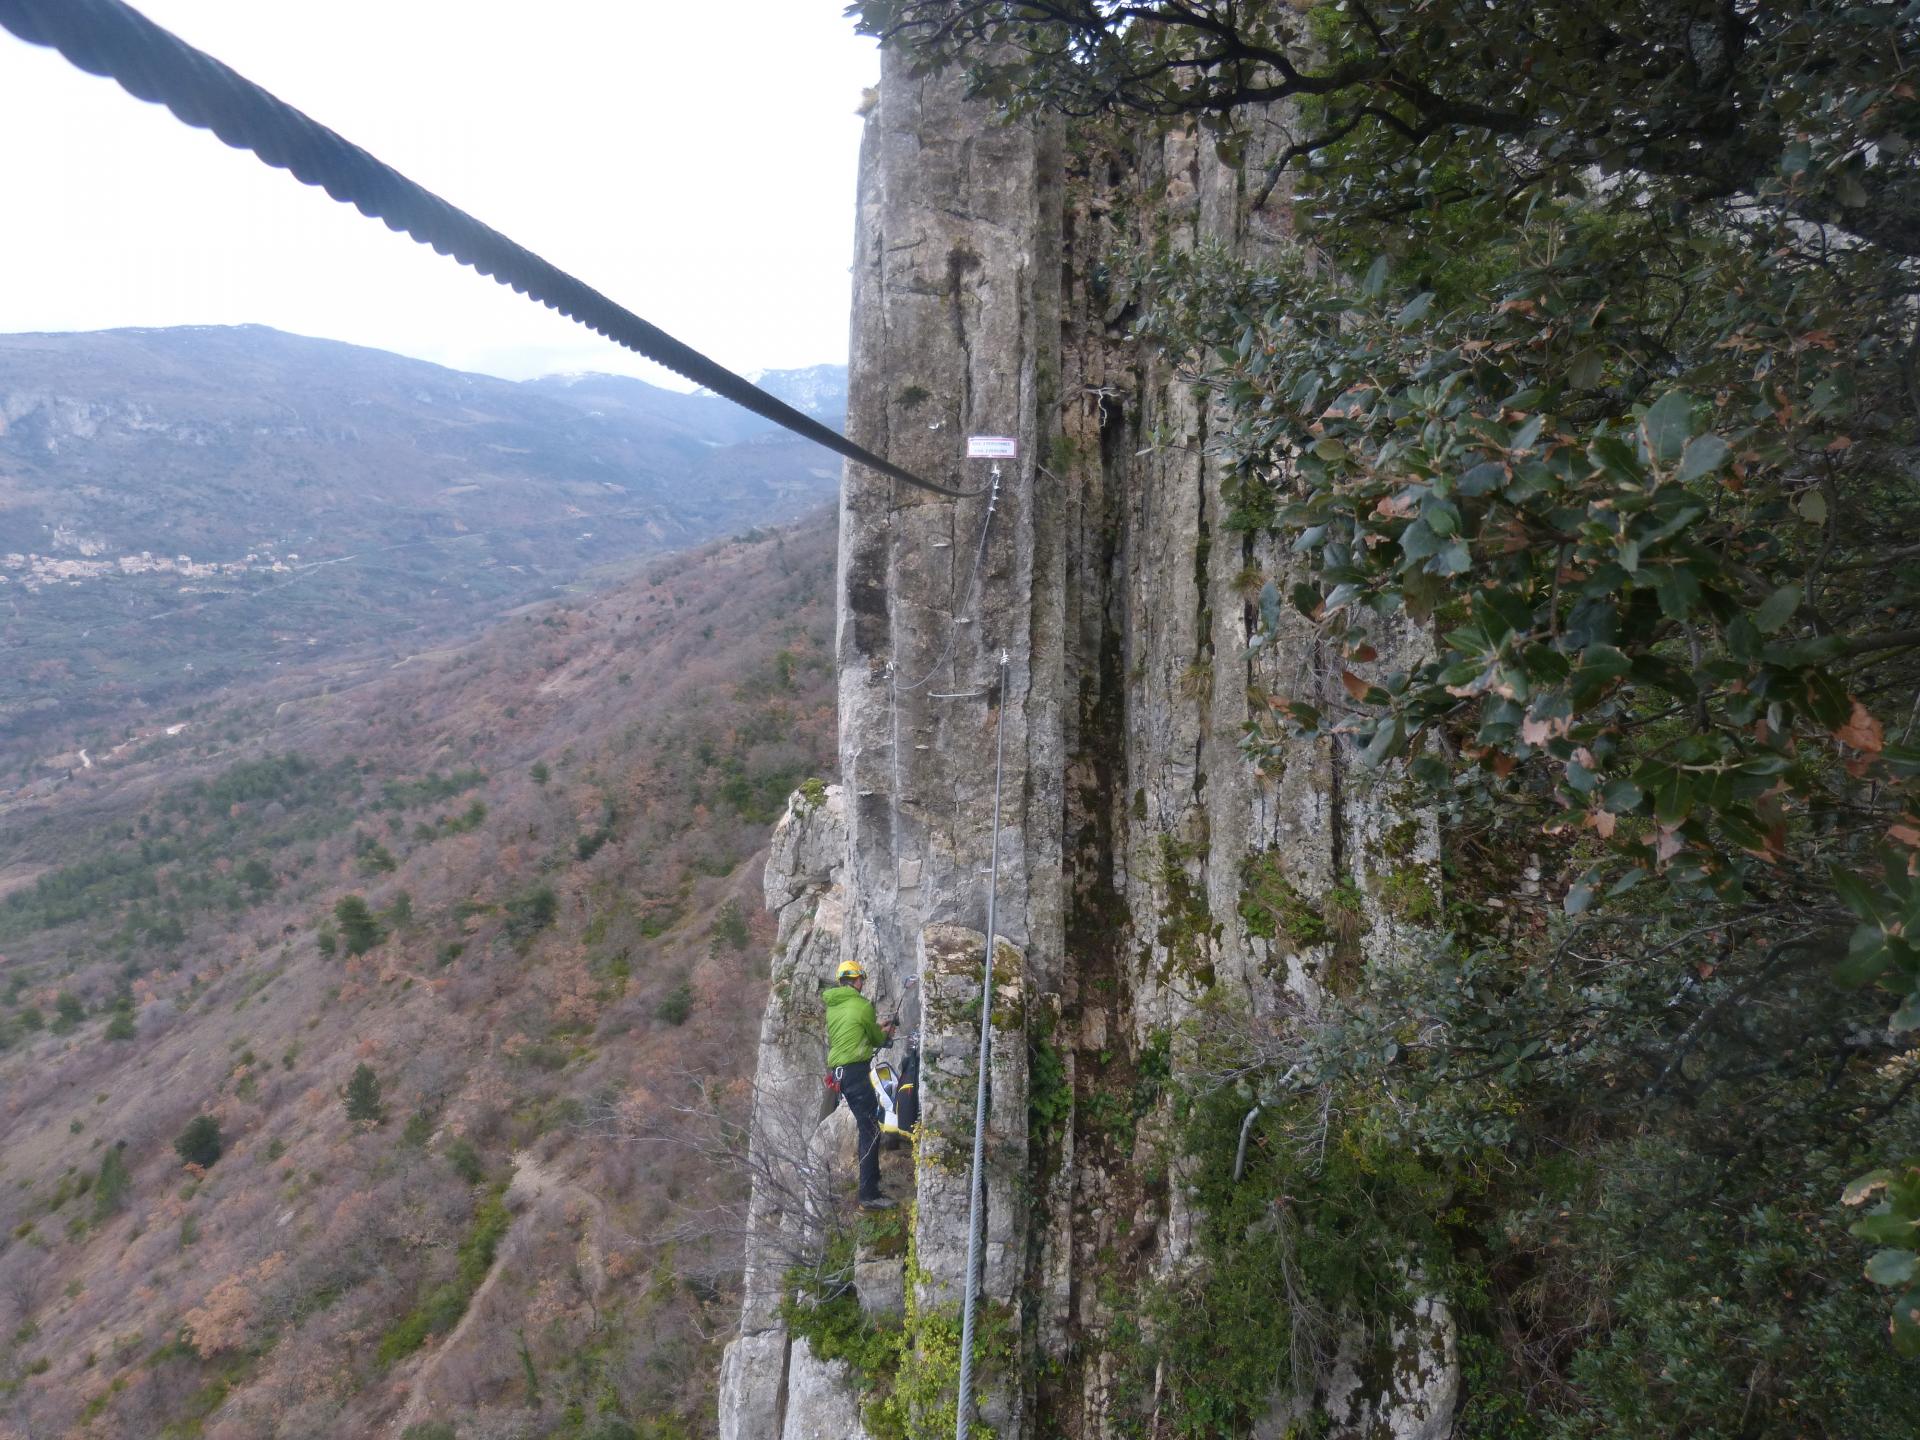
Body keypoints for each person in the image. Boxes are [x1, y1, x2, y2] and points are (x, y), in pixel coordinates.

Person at [824, 958, 895, 1210]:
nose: (862, 984)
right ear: (855, 980)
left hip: (841, 1074)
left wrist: (874, 1030)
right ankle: (868, 1194)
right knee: (870, 1129)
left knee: (868, 1125)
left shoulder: (833, 1006)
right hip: (855, 1073)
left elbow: (851, 1029)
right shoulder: (863, 1005)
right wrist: (884, 1032)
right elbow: (875, 1037)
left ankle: (872, 1181)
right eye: (861, 980)